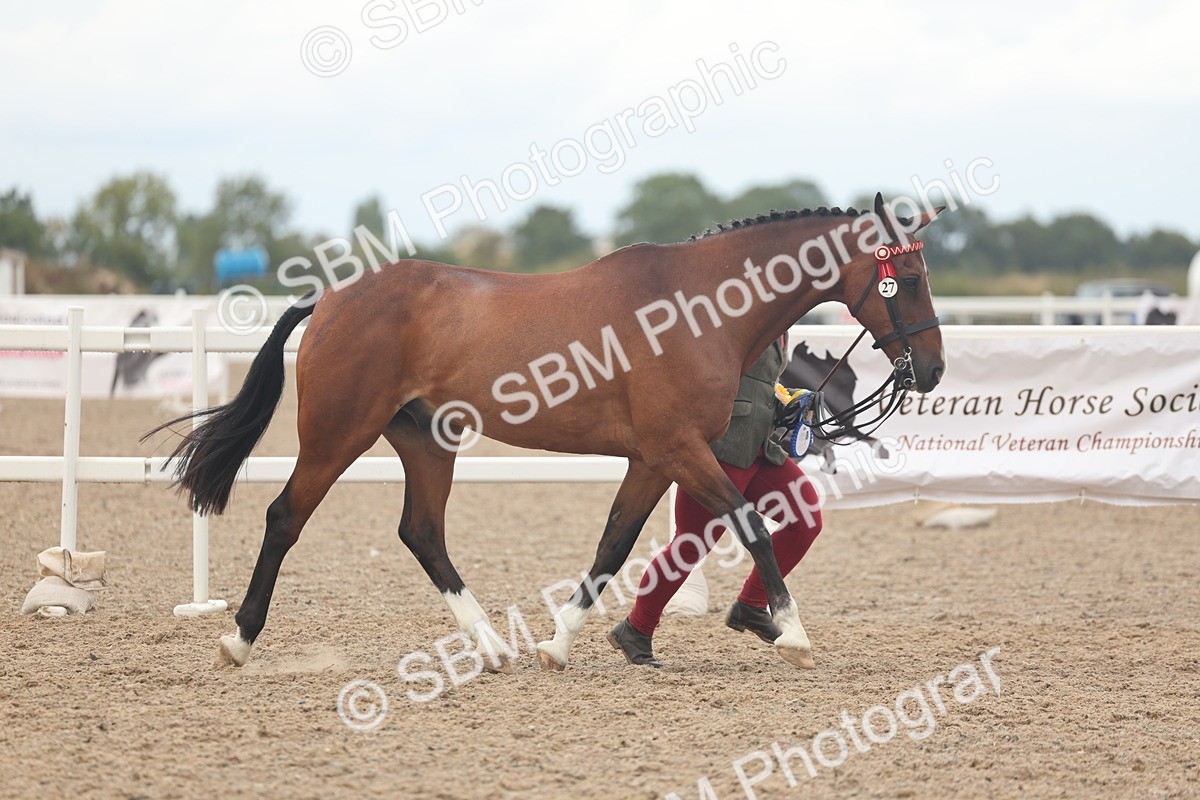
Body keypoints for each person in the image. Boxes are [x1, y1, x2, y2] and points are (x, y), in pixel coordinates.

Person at [608, 338, 823, 667]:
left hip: (762, 447)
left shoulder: (779, 316)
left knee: (805, 517)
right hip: (719, 451)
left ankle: (751, 605)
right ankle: (636, 627)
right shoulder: (728, 309)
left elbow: (760, 379)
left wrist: (785, 398)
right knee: (691, 544)